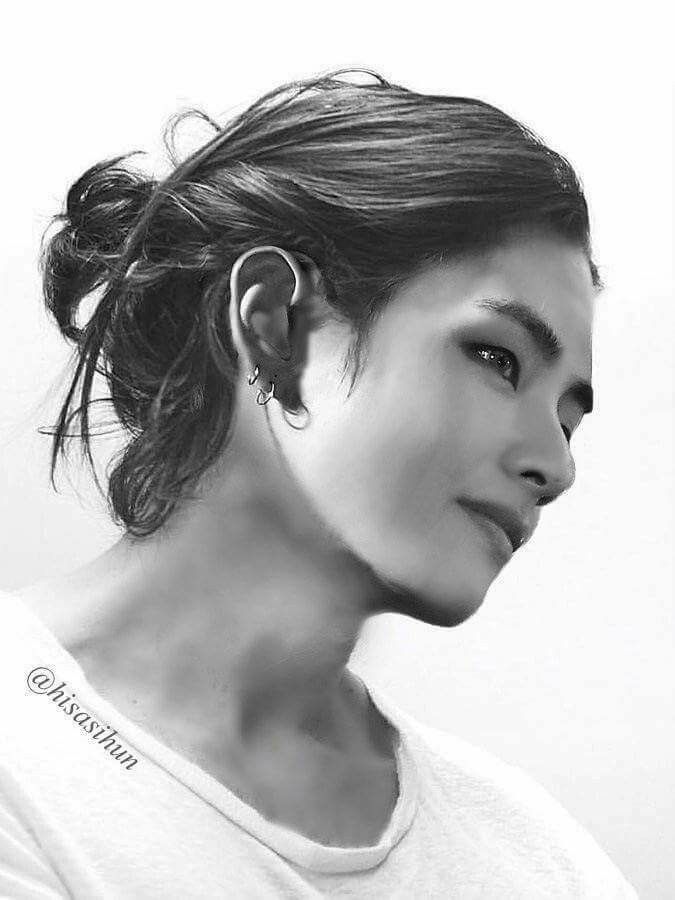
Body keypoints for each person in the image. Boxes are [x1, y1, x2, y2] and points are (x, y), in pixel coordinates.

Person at [0, 68, 637, 898]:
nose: (555, 467)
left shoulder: (538, 857)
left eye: (566, 418)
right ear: (278, 327)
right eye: (496, 359)